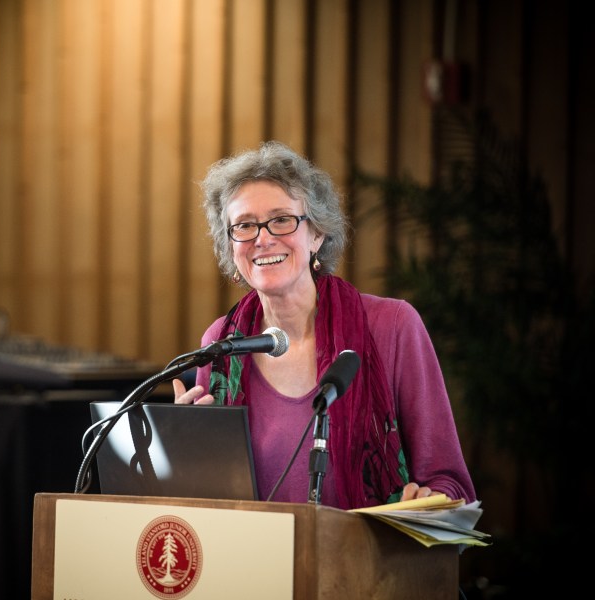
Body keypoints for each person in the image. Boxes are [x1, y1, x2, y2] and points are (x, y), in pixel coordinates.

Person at [172, 140, 476, 509]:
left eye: (282, 219)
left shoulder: (392, 327)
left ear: (316, 234)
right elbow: (210, 501)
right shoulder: (220, 343)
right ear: (231, 246)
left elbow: (451, 484)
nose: (263, 239)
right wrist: (186, 454)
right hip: (254, 563)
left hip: (367, 561)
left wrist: (429, 500)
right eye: (245, 226)